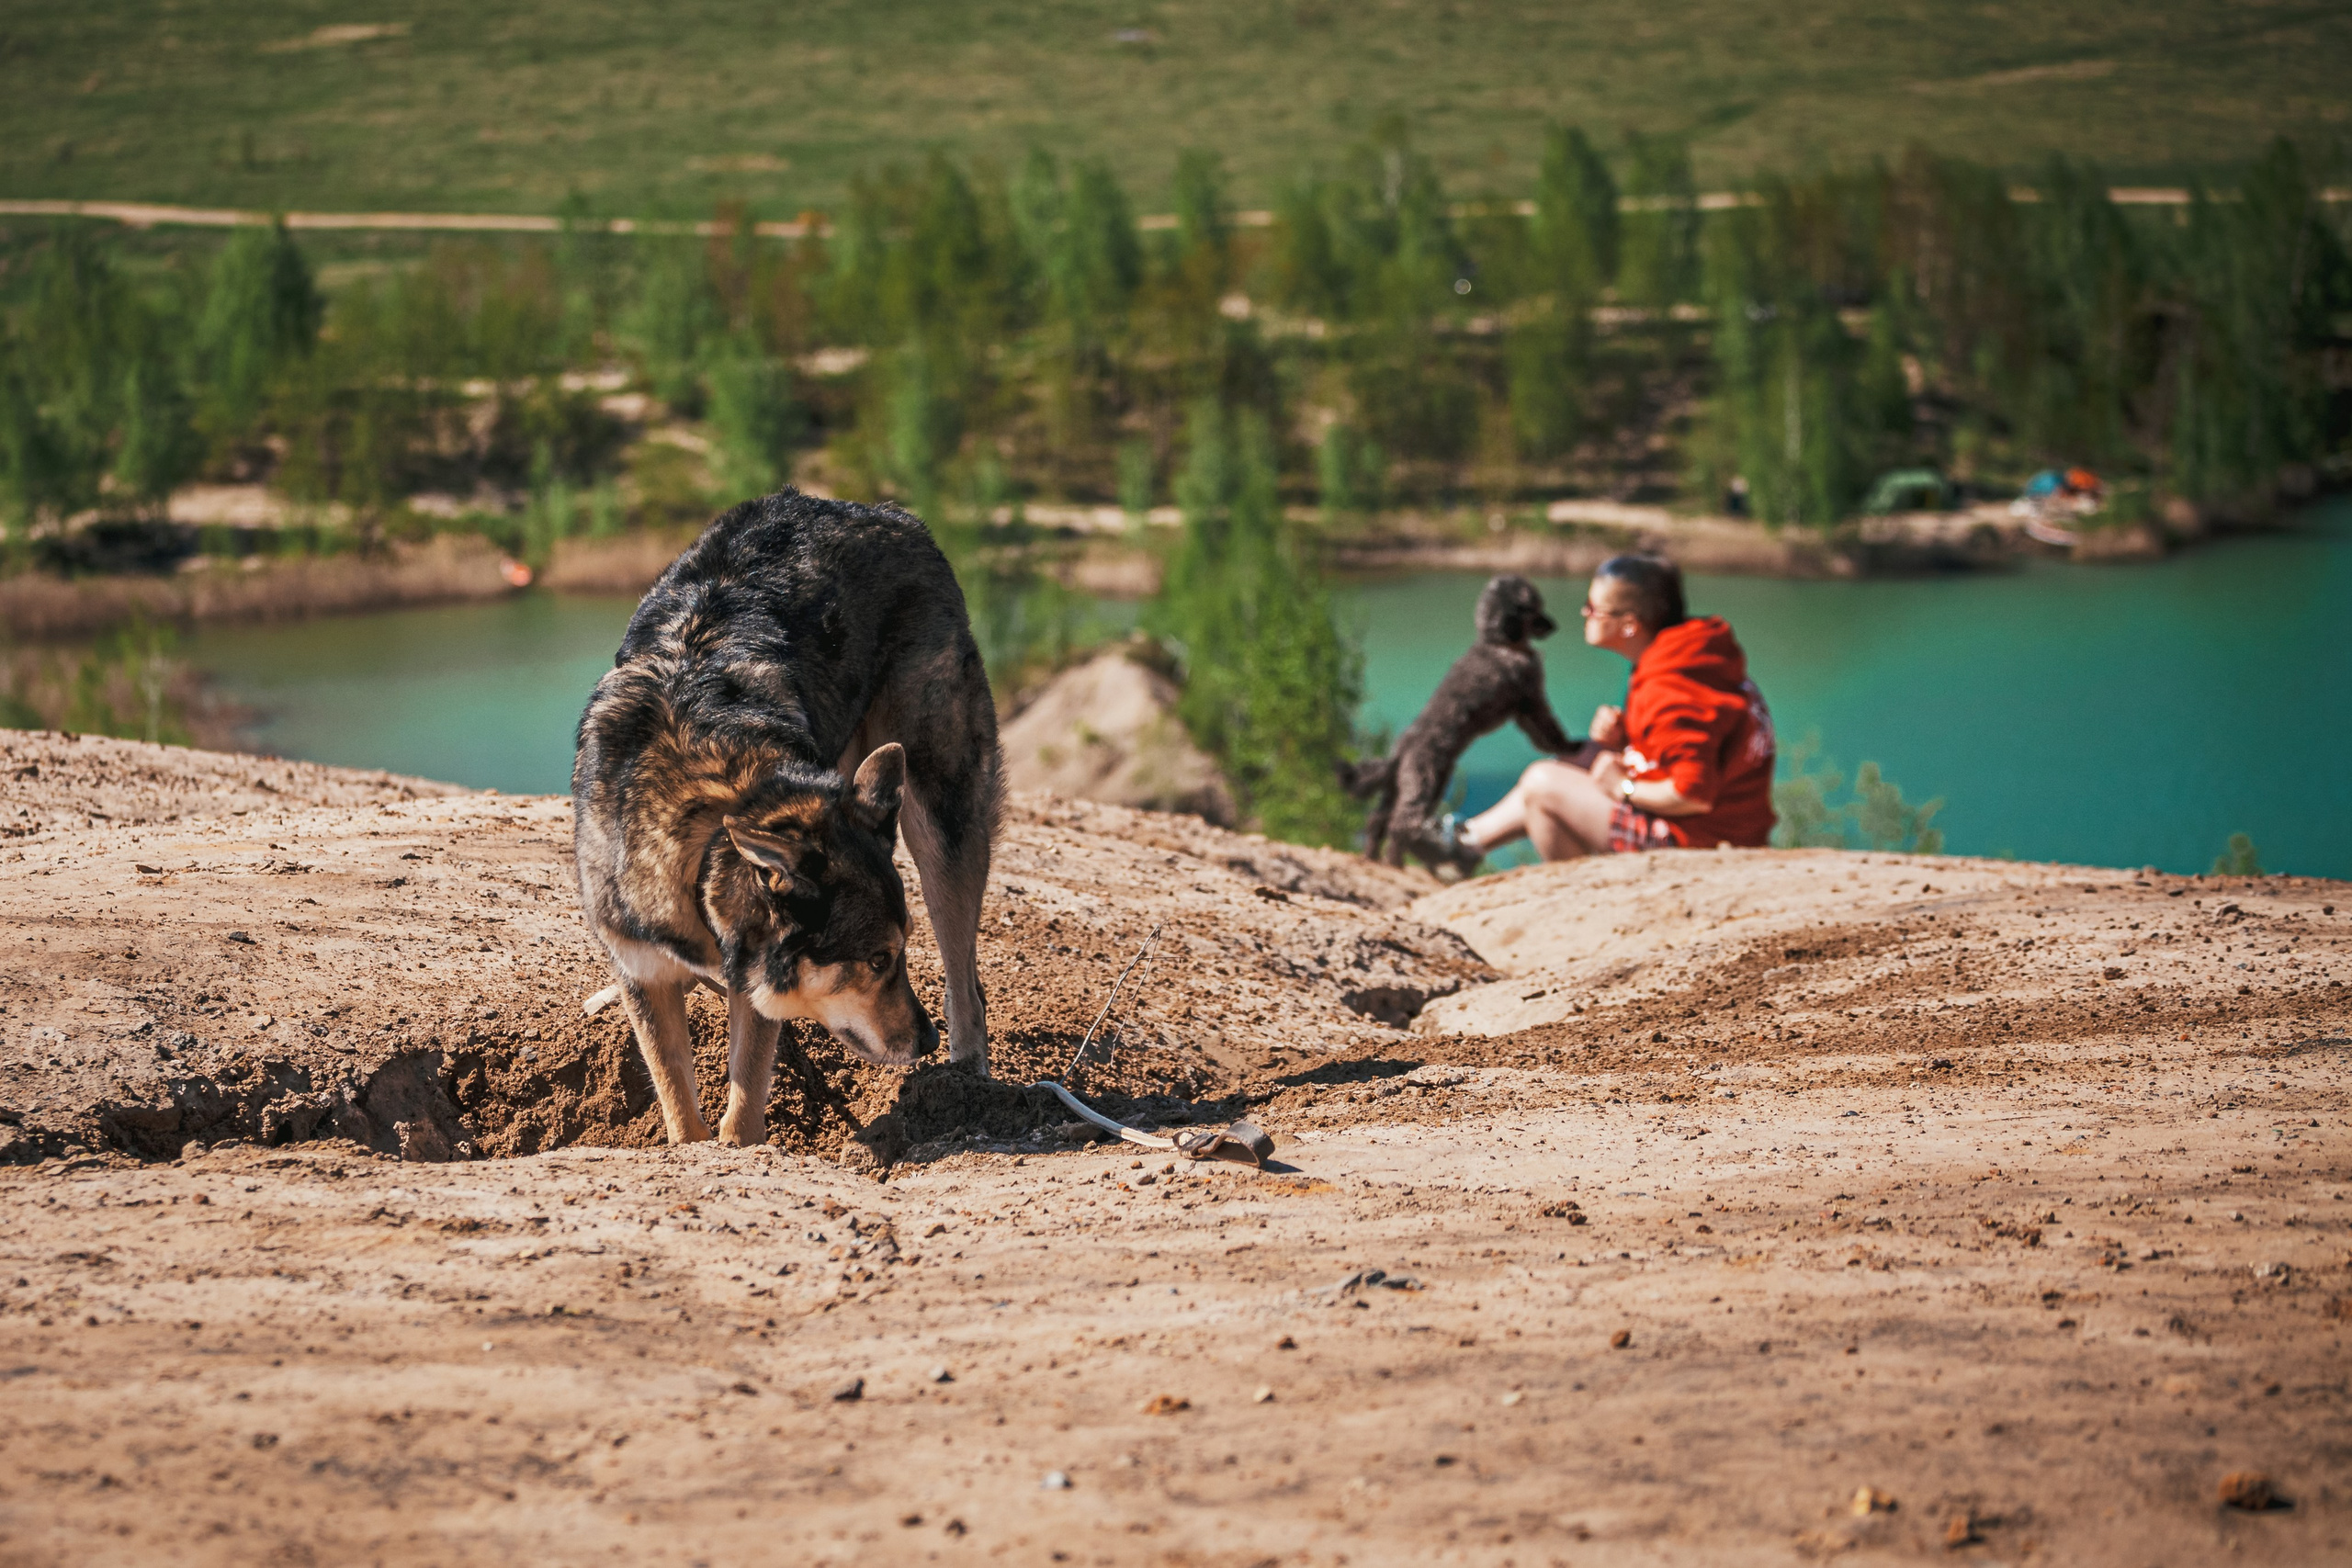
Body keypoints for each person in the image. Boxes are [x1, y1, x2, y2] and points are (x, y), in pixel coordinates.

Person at [1447, 553, 1774, 862]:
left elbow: (1693, 796)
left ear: (1629, 625)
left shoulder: (1672, 687)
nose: (1583, 614)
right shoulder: (1686, 657)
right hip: (1716, 825)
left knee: (1542, 784)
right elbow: (1682, 747)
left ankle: (1468, 848)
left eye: (1593, 608)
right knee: (1576, 758)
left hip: (1698, 841)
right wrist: (1625, 739)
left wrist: (1623, 787)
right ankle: (1466, 843)